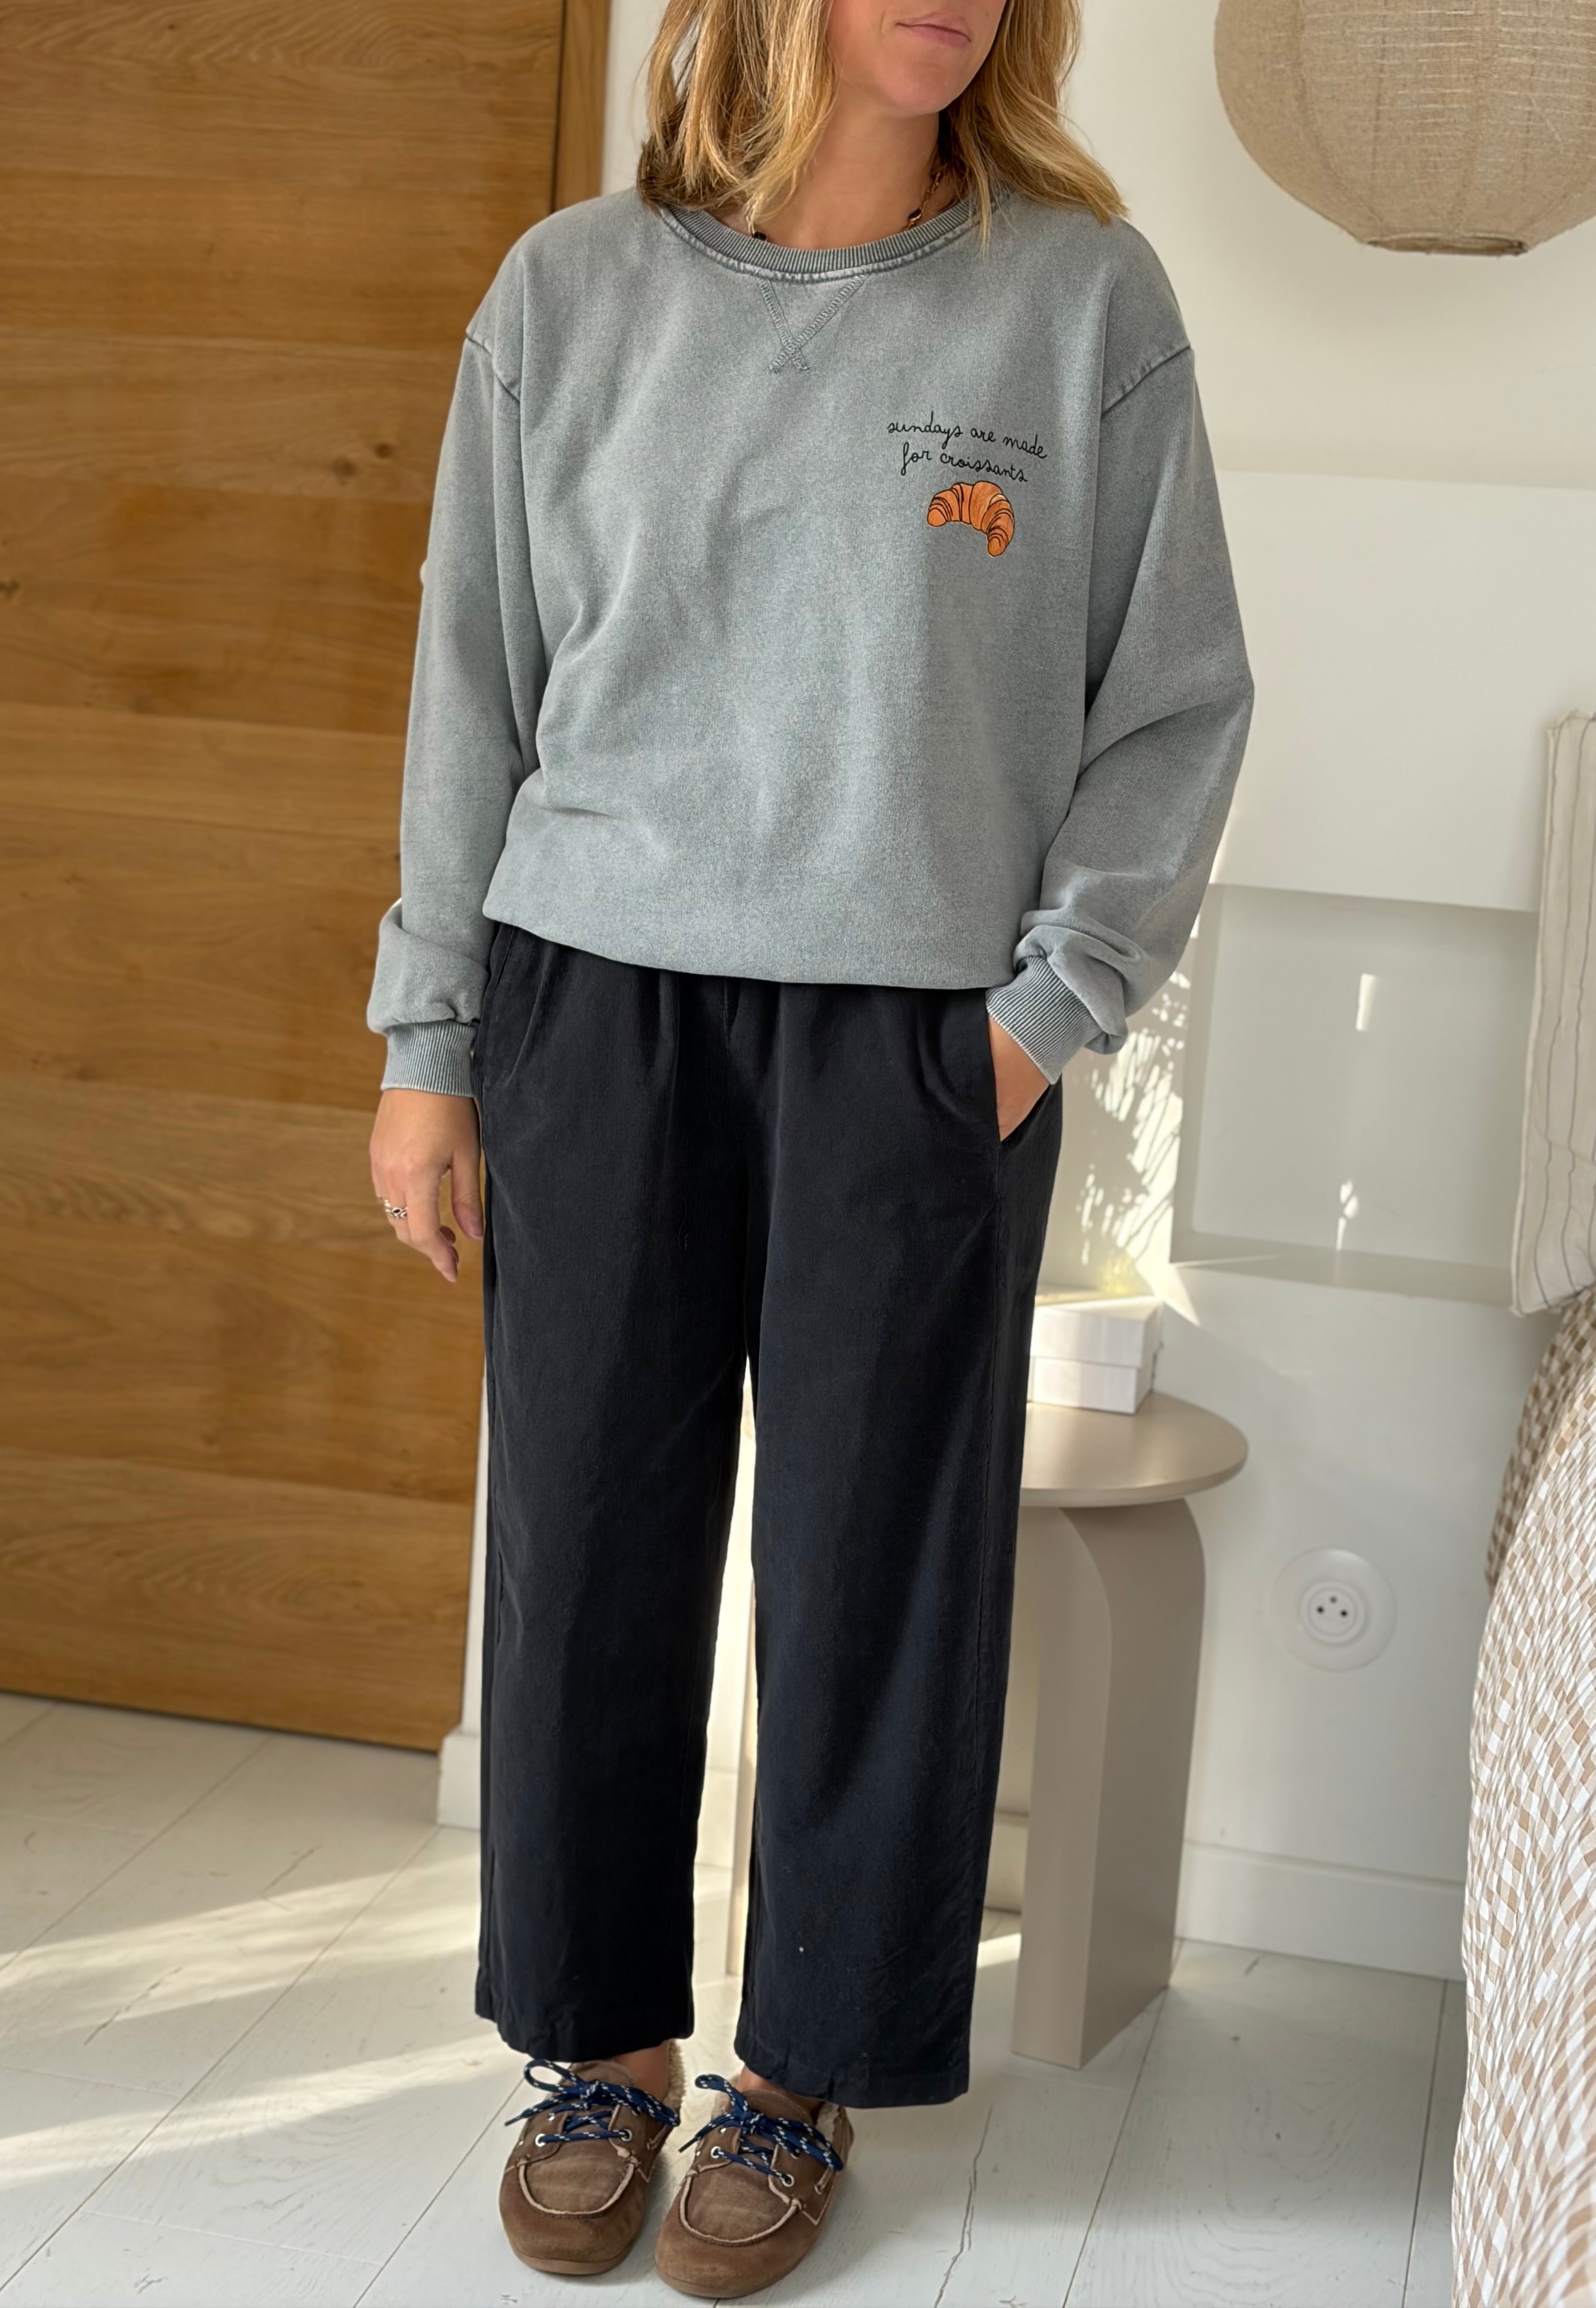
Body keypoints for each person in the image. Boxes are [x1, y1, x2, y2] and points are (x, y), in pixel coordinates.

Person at [366, 0, 1254, 2283]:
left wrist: (1037, 1026)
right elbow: (471, 677)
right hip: (593, 1003)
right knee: (587, 1547)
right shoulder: (570, 291)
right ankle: (598, 2048)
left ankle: (802, 2078)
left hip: (920, 1040)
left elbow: (1173, 703)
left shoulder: (1081, 303)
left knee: (878, 1572)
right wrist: (429, 1043)